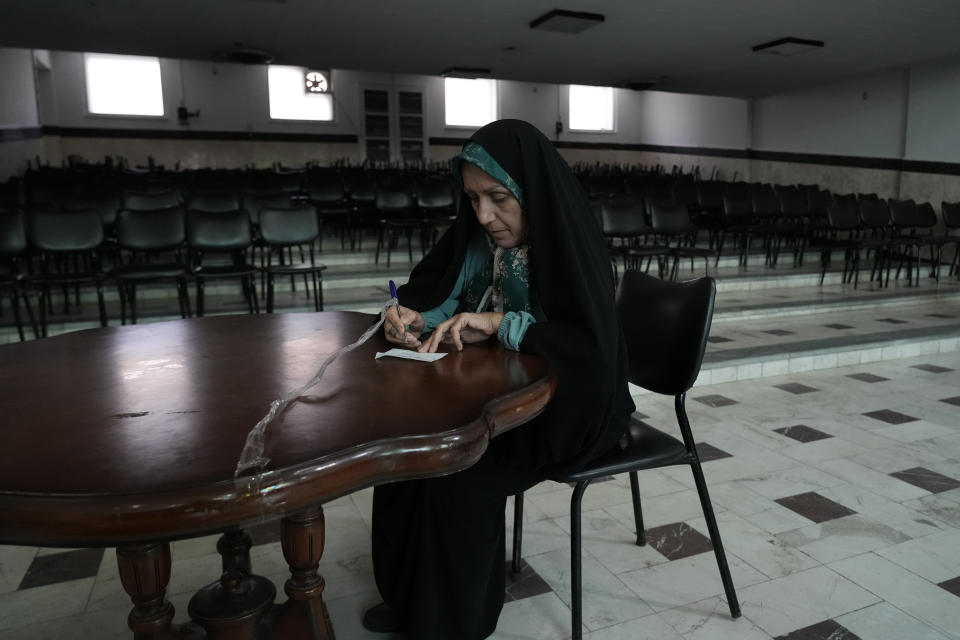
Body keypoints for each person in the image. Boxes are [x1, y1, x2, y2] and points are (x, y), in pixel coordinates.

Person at [365, 119, 635, 639]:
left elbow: (585, 347)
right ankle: (410, 598)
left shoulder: (567, 247)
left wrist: (499, 324)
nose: (483, 216)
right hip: (494, 394)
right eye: (472, 200)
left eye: (498, 199)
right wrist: (416, 315)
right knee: (404, 459)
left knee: (459, 473)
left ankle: (453, 624)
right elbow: (447, 291)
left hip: (558, 409)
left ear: (532, 194)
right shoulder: (477, 240)